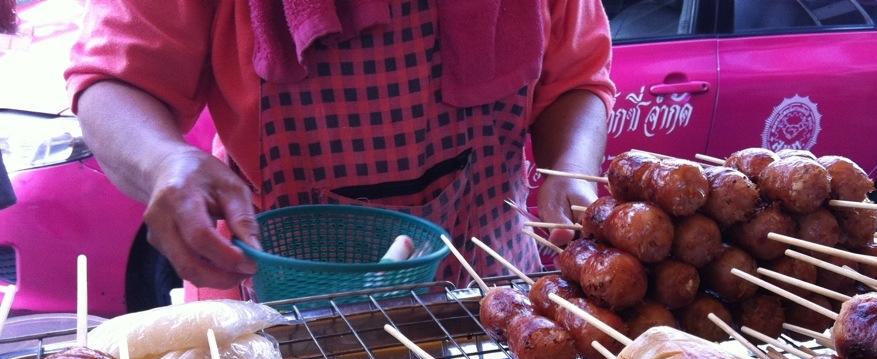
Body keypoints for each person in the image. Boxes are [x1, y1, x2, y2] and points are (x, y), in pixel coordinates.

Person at [65, 1, 614, 297]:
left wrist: (570, 168)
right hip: (283, 306)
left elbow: (576, 75)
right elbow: (113, 81)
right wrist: (164, 161)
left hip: (485, 293)